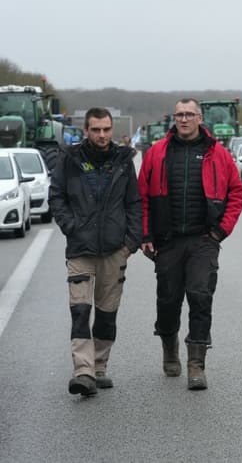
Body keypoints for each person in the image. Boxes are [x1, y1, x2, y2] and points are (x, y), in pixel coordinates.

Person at [138, 98, 242, 390]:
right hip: (167, 241)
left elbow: (236, 192)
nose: (183, 119)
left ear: (200, 118)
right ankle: (169, 348)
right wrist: (145, 235)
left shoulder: (218, 154)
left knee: (200, 296)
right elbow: (142, 197)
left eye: (189, 114)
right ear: (174, 118)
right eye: (179, 115)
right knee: (168, 301)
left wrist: (221, 231)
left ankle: (196, 364)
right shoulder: (157, 152)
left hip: (203, 239)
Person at [48, 107, 142, 397]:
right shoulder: (70, 159)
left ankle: (99, 367)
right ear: (86, 131)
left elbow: (134, 203)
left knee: (106, 314)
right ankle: (84, 371)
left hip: (115, 250)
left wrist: (131, 243)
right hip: (81, 249)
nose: (102, 135)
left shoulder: (124, 161)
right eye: (96, 130)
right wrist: (71, 227)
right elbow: (57, 196)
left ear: (111, 130)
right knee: (80, 311)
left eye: (106, 129)